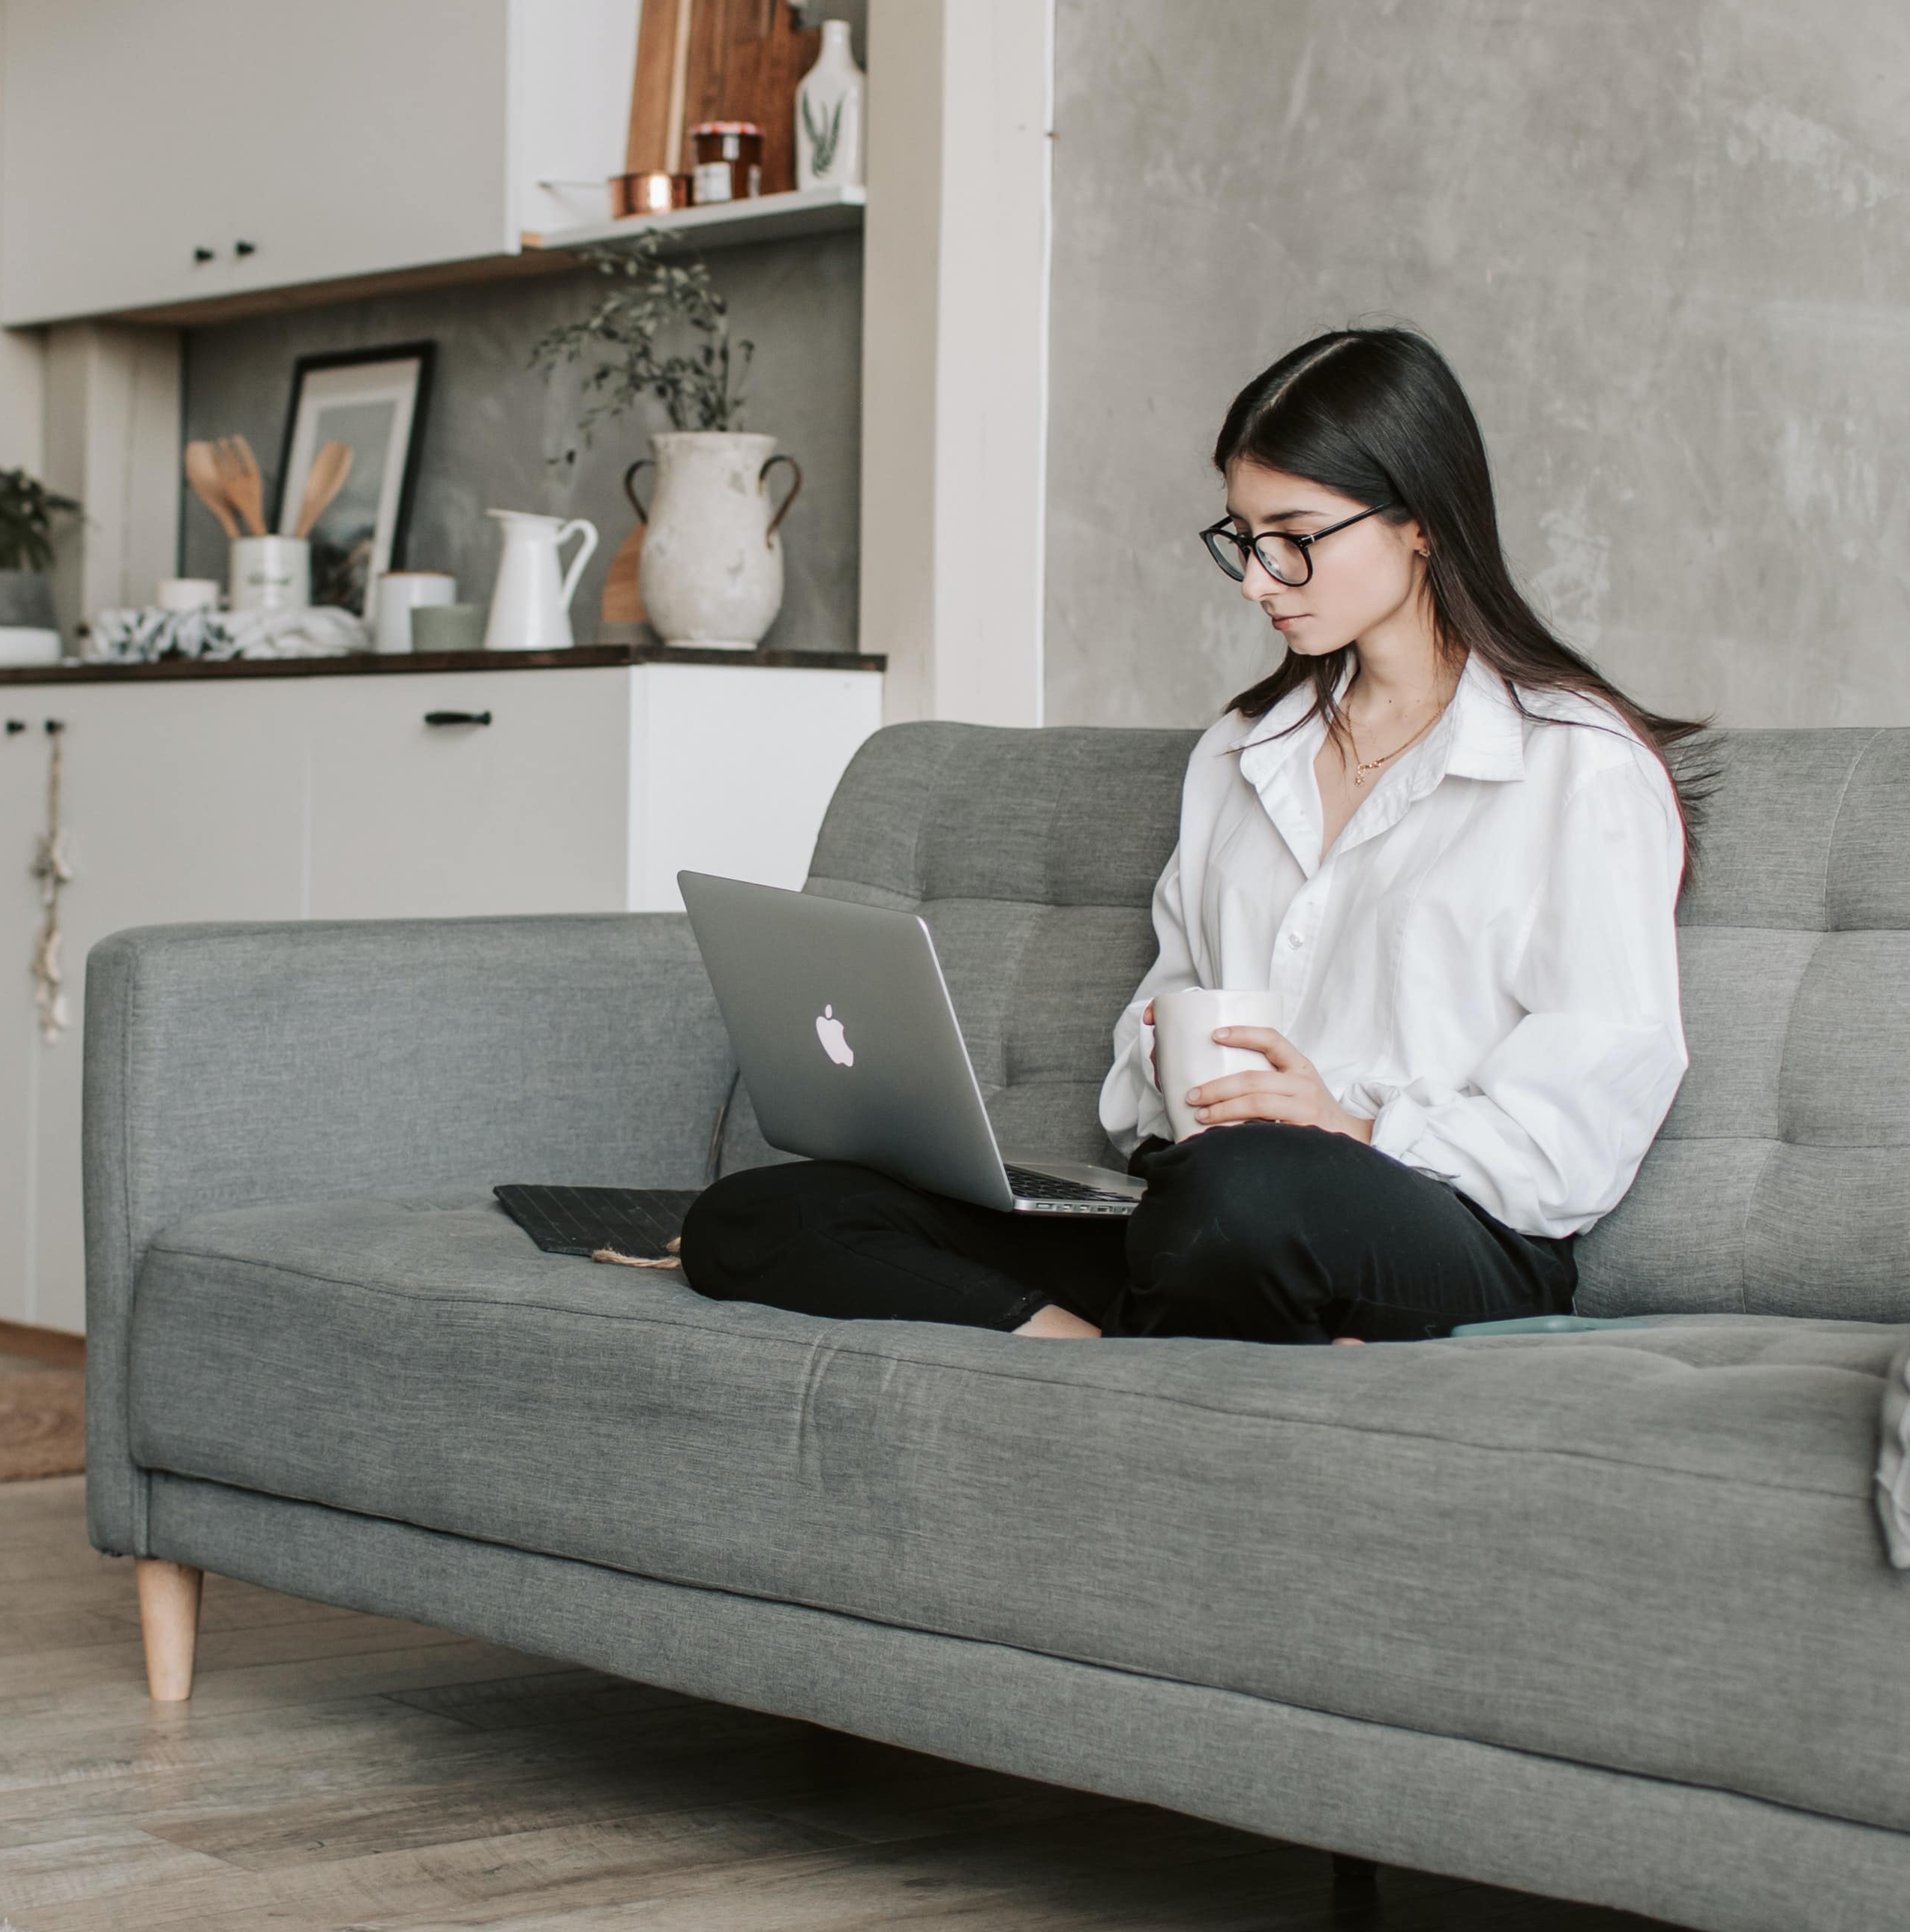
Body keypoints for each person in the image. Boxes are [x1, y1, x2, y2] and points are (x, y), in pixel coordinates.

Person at [681, 326, 1695, 1345]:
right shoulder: (1242, 753)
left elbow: (1589, 1118)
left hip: (1448, 1223)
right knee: (758, 1215)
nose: (1258, 579)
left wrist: (1353, 1126)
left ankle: (1172, 1320)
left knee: (1235, 1199)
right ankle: (1082, 1350)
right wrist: (1167, 1069)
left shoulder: (1577, 764)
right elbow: (1159, 1023)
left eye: (1293, 534)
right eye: (1242, 538)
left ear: (1421, 520)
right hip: (1205, 1210)